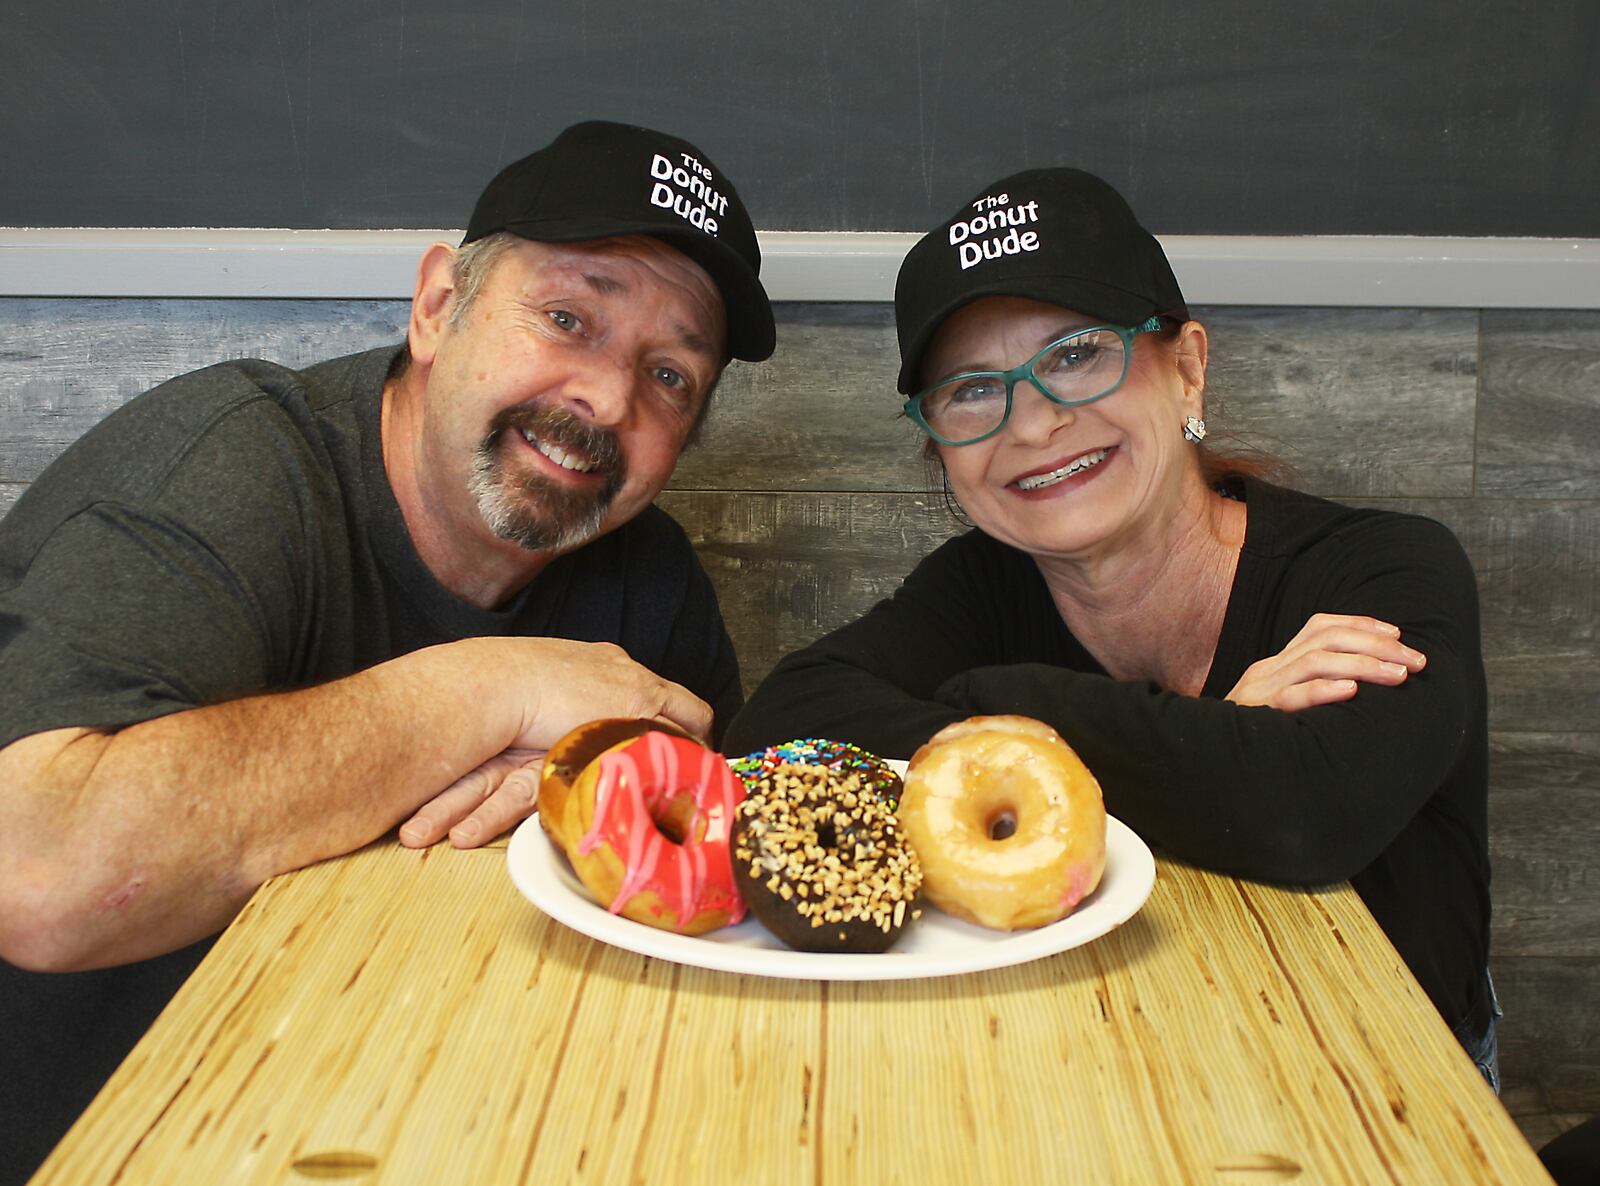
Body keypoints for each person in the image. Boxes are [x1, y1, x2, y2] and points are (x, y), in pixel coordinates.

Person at [0, 119, 774, 1183]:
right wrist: (492, 689)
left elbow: (700, 882)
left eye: (670, 376)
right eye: (565, 317)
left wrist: (578, 773)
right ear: (437, 306)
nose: (605, 400)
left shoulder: (649, 581)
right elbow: (44, 873)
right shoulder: (231, 470)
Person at [723, 167, 1497, 1086]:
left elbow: (1305, 818)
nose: (1036, 421)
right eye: (972, 390)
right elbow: (778, 732)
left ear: (1187, 368)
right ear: (939, 448)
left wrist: (992, 706)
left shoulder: (1384, 568)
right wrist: (1219, 741)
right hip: (1110, 1069)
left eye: (1078, 353)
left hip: (1388, 1084)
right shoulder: (981, 587)